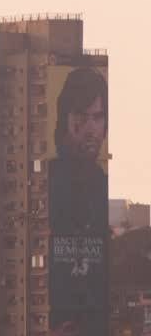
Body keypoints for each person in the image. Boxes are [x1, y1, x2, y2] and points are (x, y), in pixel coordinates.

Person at [48, 68, 108, 235]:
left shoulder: (102, 185)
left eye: (97, 117)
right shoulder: (48, 181)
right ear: (64, 121)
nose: (90, 129)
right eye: (80, 116)